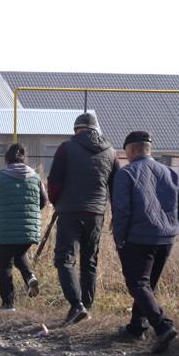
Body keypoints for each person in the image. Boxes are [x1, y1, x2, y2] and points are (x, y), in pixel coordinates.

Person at [112, 131, 179, 354]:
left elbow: (122, 209)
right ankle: (137, 327)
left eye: (126, 151)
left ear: (131, 149)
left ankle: (163, 325)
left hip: (138, 238)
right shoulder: (170, 173)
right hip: (166, 238)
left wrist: (120, 238)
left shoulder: (126, 173)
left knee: (137, 284)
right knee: (147, 285)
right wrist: (173, 229)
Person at [47, 113, 120, 325]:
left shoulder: (66, 148)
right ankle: (87, 306)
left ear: (76, 130)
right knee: (90, 261)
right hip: (97, 213)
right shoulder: (111, 151)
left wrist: (56, 201)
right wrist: (115, 213)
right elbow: (117, 187)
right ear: (96, 129)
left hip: (70, 211)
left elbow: (54, 181)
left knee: (65, 259)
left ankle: (76, 304)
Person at [0, 144, 48, 310]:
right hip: (29, 230)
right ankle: (29, 276)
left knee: (5, 266)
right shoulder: (35, 177)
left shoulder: (1, 177)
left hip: (6, 229)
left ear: (7, 161)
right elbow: (43, 201)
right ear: (24, 160)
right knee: (19, 255)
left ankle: (8, 304)